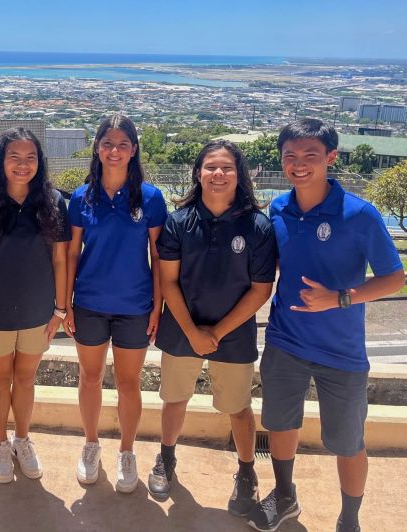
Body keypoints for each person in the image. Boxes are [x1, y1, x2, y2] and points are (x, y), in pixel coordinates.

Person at [246, 119, 405, 532]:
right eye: (291, 156)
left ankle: (349, 519)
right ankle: (284, 497)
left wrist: (339, 299)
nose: (299, 165)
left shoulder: (360, 215)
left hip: (342, 352)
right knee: (280, 425)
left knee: (348, 442)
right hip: (285, 341)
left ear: (330, 158)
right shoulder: (279, 208)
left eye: (310, 156)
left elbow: (394, 277)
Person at [148, 141, 276, 514]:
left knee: (238, 408)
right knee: (175, 399)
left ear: (240, 175)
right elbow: (168, 282)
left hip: (233, 334)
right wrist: (192, 332)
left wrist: (216, 333)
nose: (218, 174)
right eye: (210, 167)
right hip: (182, 329)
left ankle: (247, 471)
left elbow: (260, 289)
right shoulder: (178, 221)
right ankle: (166, 460)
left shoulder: (257, 226)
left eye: (226, 168)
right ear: (198, 173)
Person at [63, 114, 167, 493]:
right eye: (108, 143)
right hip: (89, 302)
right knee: (89, 378)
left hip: (135, 305)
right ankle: (91, 445)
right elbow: (72, 254)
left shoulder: (151, 198)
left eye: (123, 144)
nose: (115, 151)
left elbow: (159, 257)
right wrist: (66, 303)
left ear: (134, 150)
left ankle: (127, 451)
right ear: (97, 147)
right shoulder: (81, 196)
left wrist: (157, 307)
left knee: (128, 382)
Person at [0, 128, 70, 483]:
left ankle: (22, 439)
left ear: (40, 162)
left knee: (25, 378)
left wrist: (59, 311)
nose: (23, 165)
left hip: (38, 313)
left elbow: (60, 261)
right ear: (0, 161)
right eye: (14, 157)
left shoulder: (54, 202)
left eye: (30, 158)